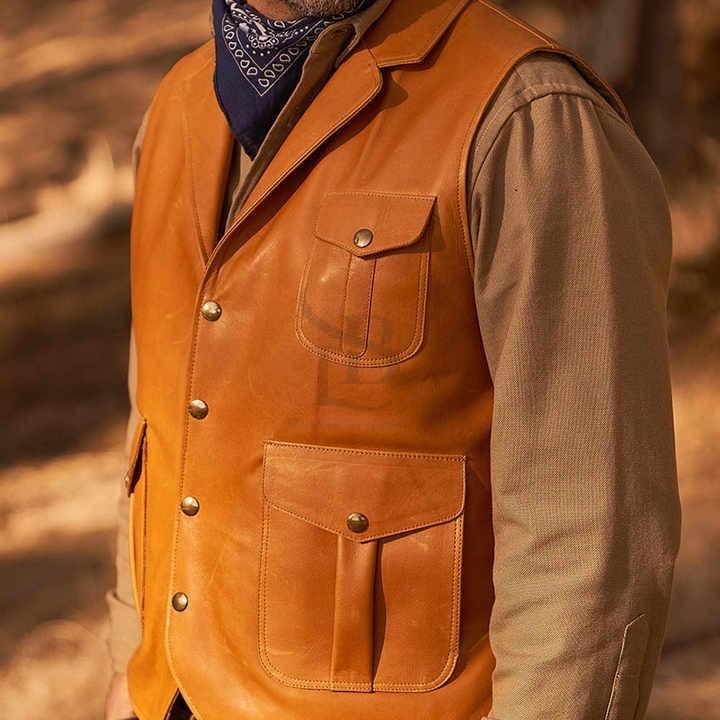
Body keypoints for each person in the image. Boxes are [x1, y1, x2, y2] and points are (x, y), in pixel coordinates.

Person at [104, 0, 681, 718]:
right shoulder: (178, 108)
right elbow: (156, 436)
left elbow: (589, 535)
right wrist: (129, 668)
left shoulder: (528, 115)